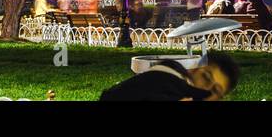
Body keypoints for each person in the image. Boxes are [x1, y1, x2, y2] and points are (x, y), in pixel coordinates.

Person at [99, 51, 240, 101]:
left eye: (215, 91)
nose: (207, 90)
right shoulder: (166, 81)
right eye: (206, 78)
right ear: (194, 70)